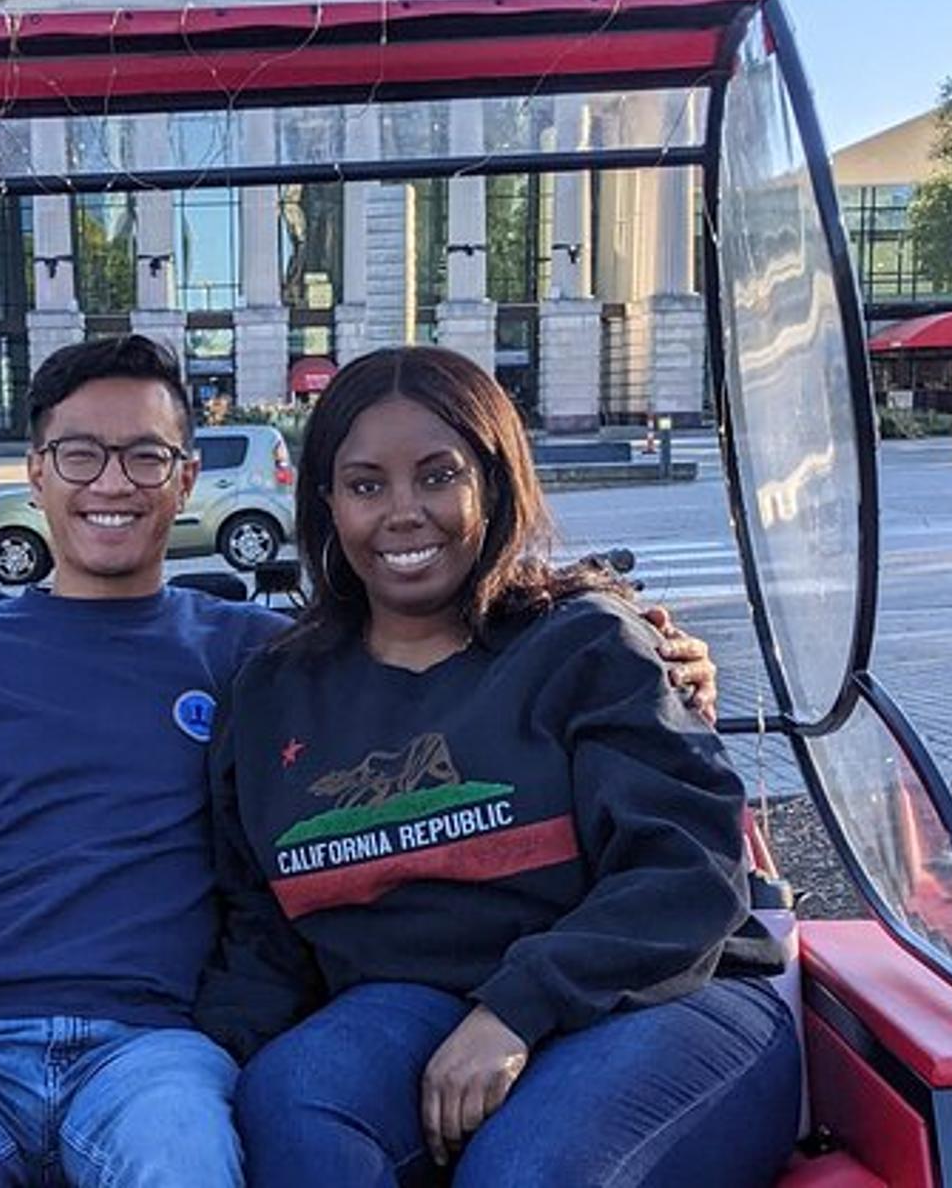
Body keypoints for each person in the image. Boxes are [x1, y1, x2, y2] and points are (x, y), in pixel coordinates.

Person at [0, 336, 723, 1188]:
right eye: (80, 454)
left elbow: (452, 636)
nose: (113, 481)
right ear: (35, 473)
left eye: (145, 454)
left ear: (185, 479)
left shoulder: (252, 655)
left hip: (151, 1051)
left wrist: (657, 653)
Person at [196, 346, 800, 1188]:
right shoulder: (273, 696)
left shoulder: (585, 644)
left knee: (527, 1173)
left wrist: (515, 1008)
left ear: (494, 479)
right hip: (407, 1007)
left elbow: (687, 871)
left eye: (437, 476)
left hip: (660, 991)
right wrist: (192, 1070)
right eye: (367, 484)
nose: (404, 512)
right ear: (326, 503)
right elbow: (263, 938)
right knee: (290, 1109)